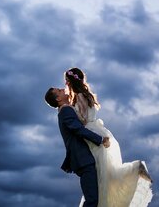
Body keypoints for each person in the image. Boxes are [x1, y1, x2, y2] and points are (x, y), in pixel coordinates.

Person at [64, 67, 153, 207]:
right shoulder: (87, 95)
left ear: (70, 81)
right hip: (99, 130)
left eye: (66, 80)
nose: (65, 83)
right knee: (108, 172)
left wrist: (71, 111)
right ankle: (135, 168)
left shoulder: (79, 97)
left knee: (103, 177)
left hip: (91, 134)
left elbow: (83, 120)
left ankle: (135, 169)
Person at [45, 87, 111, 207]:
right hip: (82, 159)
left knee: (93, 198)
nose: (61, 89)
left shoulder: (67, 109)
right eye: (59, 91)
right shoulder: (65, 111)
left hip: (83, 159)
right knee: (92, 200)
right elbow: (78, 129)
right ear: (58, 99)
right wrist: (100, 139)